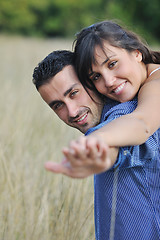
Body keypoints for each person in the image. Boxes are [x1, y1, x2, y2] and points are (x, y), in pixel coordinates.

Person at [32, 50, 160, 239]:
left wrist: (94, 152)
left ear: (92, 81)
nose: (72, 111)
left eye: (74, 93)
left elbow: (115, 149)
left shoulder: (125, 115)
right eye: (58, 105)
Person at [72, 20, 160, 148]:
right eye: (96, 76)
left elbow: (143, 123)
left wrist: (97, 139)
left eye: (112, 64)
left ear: (136, 53)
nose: (108, 81)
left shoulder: (156, 83)